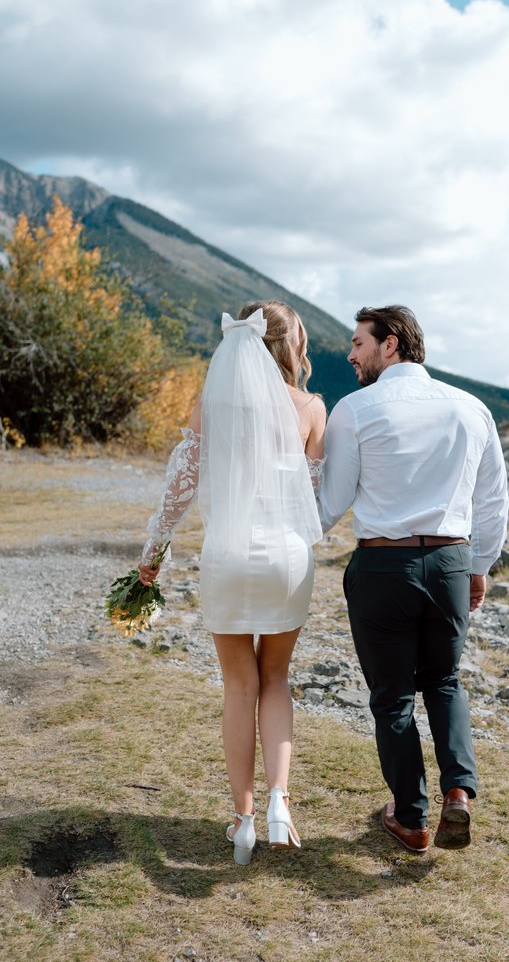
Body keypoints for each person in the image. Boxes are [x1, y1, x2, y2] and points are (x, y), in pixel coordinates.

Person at [138, 300, 326, 865]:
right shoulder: (311, 408)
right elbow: (314, 497)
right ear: (291, 346)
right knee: (276, 678)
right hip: (286, 558)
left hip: (227, 555)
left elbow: (179, 487)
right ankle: (278, 803)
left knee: (239, 686)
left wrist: (154, 552)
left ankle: (243, 822)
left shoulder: (210, 406)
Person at [318, 305, 508, 854]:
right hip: (450, 563)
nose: (350, 354)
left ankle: (411, 819)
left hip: (384, 568)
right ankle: (459, 792)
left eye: (358, 343)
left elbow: (330, 503)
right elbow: (492, 501)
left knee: (393, 696)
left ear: (391, 344)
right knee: (444, 681)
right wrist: (479, 567)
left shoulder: (355, 409)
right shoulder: (471, 408)